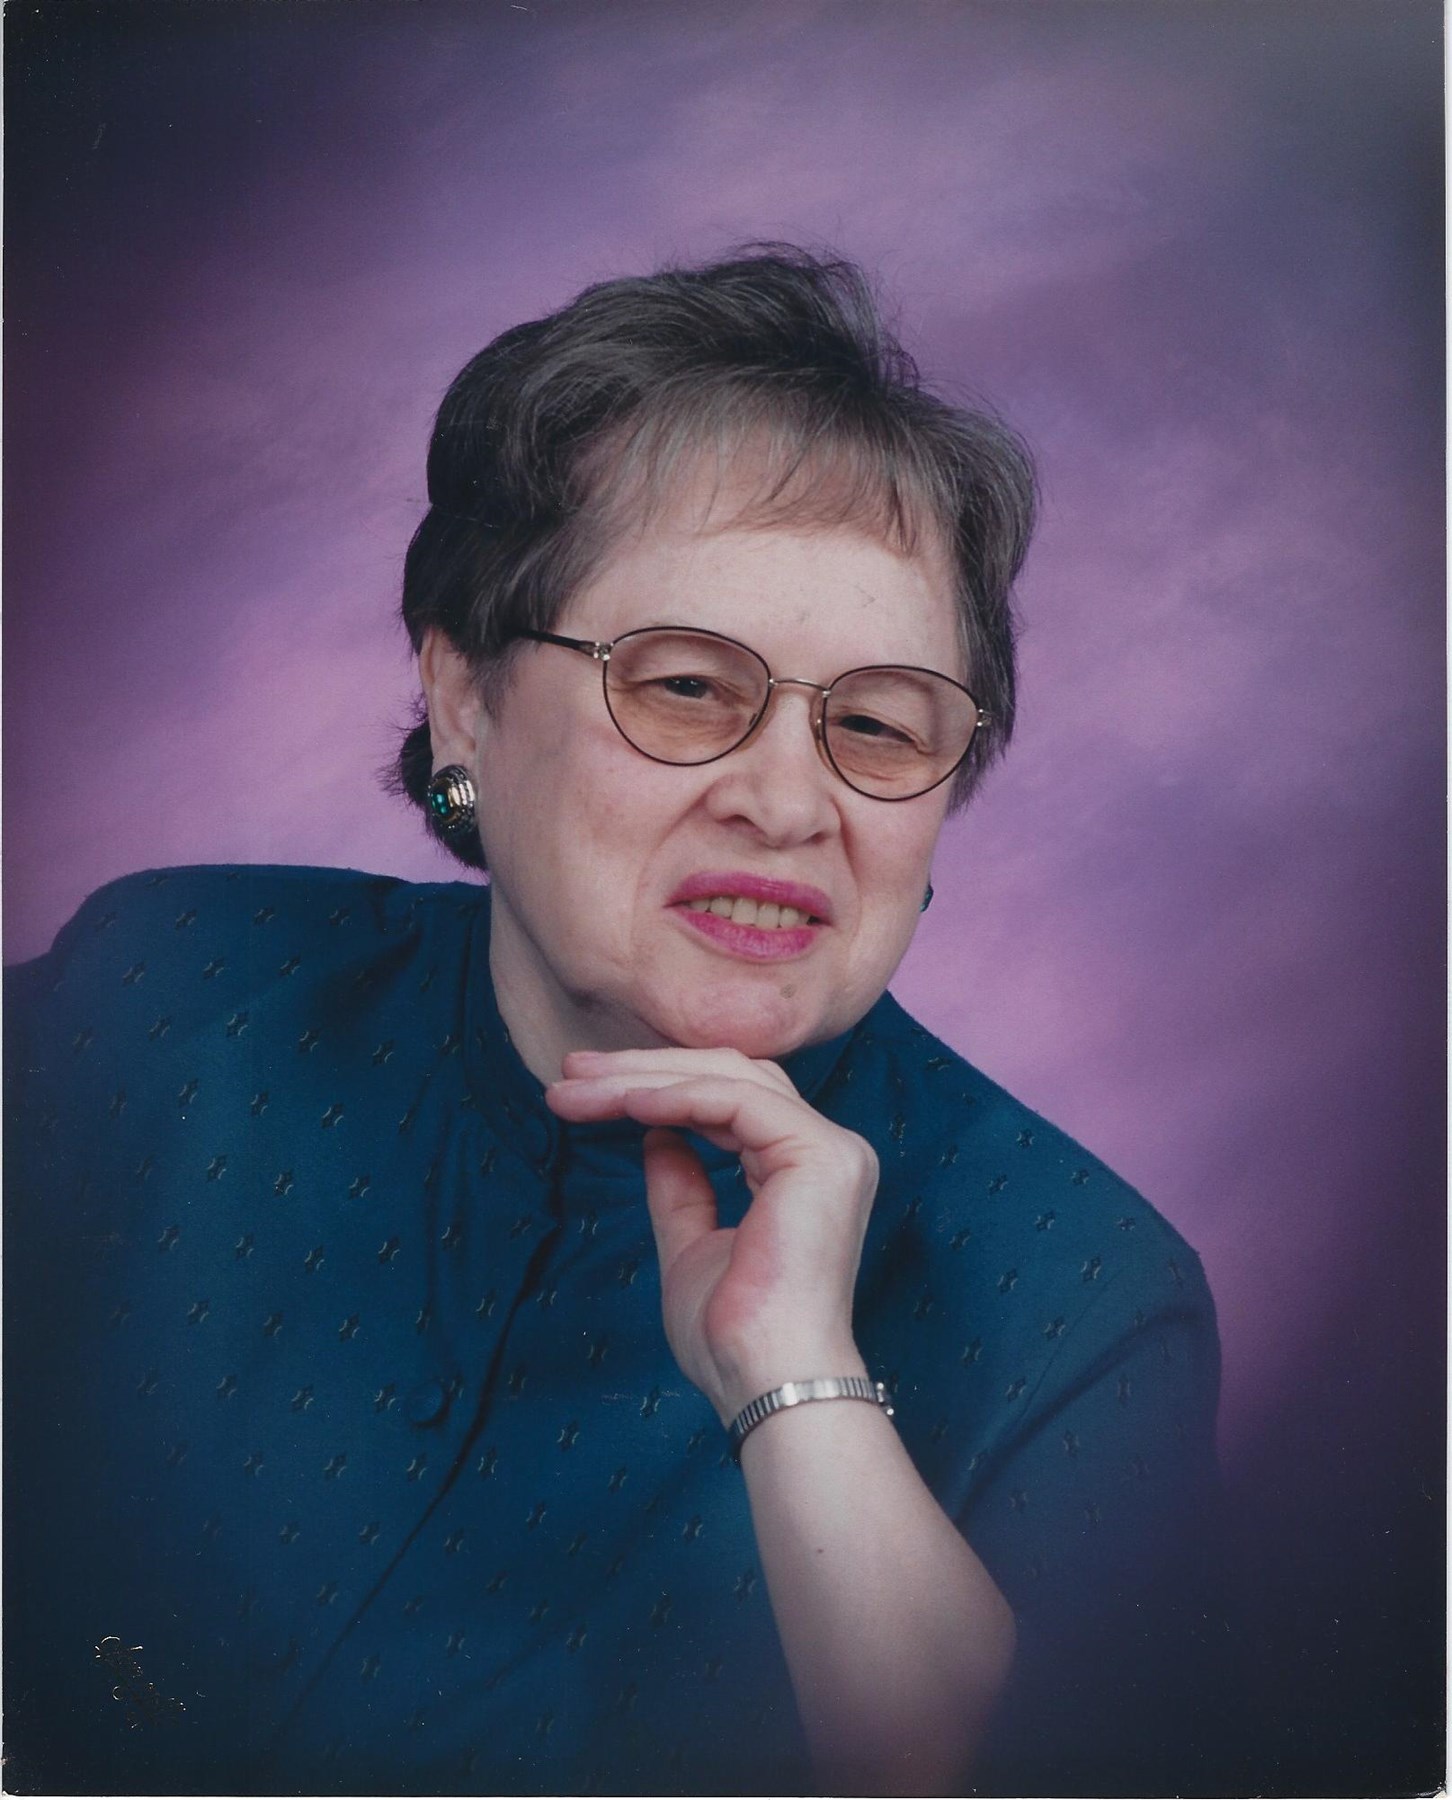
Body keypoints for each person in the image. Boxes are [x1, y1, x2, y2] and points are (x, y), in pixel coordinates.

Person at [4, 246, 1231, 1797]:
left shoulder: (1086, 1309)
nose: (787, 802)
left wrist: (795, 1382)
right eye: (687, 688)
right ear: (465, 700)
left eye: (874, 724)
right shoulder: (159, 990)